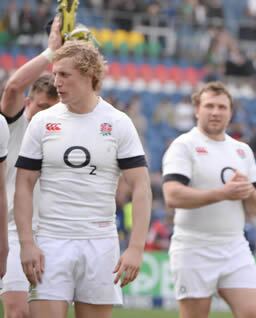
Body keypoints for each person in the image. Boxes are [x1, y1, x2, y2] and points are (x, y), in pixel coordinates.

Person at [14, 40, 151, 318]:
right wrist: (27, 242)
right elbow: (24, 185)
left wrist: (136, 248)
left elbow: (141, 187)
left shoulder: (117, 122)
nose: (56, 82)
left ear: (89, 75)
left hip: (100, 242)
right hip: (50, 241)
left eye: (64, 75)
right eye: (55, 74)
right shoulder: (42, 122)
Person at [162, 81, 256, 318]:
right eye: (209, 106)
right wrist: (223, 193)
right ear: (197, 109)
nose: (216, 112)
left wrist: (247, 191)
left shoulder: (242, 150)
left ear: (231, 112)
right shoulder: (184, 146)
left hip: (234, 245)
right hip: (194, 246)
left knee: (252, 314)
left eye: (222, 107)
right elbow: (172, 194)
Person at [0, 16, 62, 318]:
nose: (44, 113)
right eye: (40, 106)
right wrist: (51, 53)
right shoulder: (14, 126)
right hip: (13, 230)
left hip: (56, 232)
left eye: (52, 108)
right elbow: (11, 88)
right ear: (28, 103)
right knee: (17, 312)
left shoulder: (64, 132)